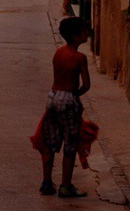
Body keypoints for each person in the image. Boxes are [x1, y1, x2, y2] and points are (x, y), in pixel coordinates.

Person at [37, 17, 91, 198]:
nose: (87, 34)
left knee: (50, 143)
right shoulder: (80, 57)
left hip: (53, 96)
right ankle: (66, 186)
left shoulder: (58, 52)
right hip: (68, 99)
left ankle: (46, 182)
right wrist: (75, 95)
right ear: (76, 36)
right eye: (84, 31)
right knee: (70, 144)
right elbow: (86, 85)